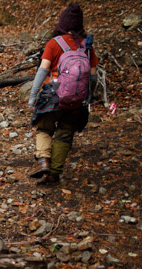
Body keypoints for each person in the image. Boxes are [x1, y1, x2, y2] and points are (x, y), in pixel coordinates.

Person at [27, 3, 98, 184]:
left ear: (61, 23)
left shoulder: (54, 43)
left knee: (44, 128)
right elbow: (93, 76)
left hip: (54, 95)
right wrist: (89, 96)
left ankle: (43, 160)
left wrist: (33, 96)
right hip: (77, 100)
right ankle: (54, 173)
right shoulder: (86, 45)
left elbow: (42, 71)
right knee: (65, 133)